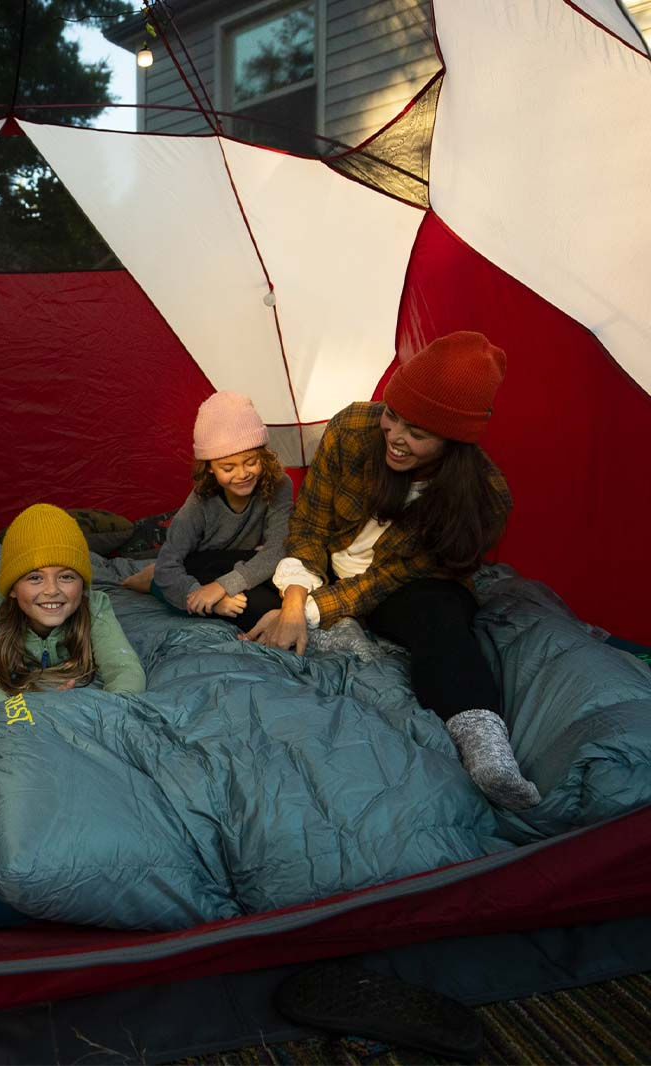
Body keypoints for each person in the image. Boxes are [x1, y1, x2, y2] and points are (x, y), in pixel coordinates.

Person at [247, 331, 540, 810]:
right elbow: (310, 522)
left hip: (406, 589)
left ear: (453, 440)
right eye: (393, 416)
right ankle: (328, 627)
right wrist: (297, 600)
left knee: (440, 621)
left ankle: (488, 751)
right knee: (237, 592)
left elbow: (387, 580)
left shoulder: (482, 499)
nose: (396, 437)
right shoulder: (352, 430)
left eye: (418, 434)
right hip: (327, 573)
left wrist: (313, 611)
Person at [0, 504, 147, 706]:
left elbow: (125, 669)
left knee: (12, 561)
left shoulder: (94, 605)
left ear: (83, 585)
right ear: (12, 590)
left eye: (66, 576)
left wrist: (106, 709)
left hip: (15, 573)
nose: (52, 590)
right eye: (35, 578)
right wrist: (30, 714)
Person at [142, 391, 293, 633]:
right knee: (258, 610)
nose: (242, 474)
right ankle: (150, 583)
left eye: (251, 461)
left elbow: (278, 548)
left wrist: (223, 586)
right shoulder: (198, 504)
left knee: (285, 595)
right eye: (228, 467)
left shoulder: (280, 484)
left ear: (263, 455)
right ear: (210, 468)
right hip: (203, 566)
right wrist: (207, 599)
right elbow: (168, 565)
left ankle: (154, 581)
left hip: (242, 563)